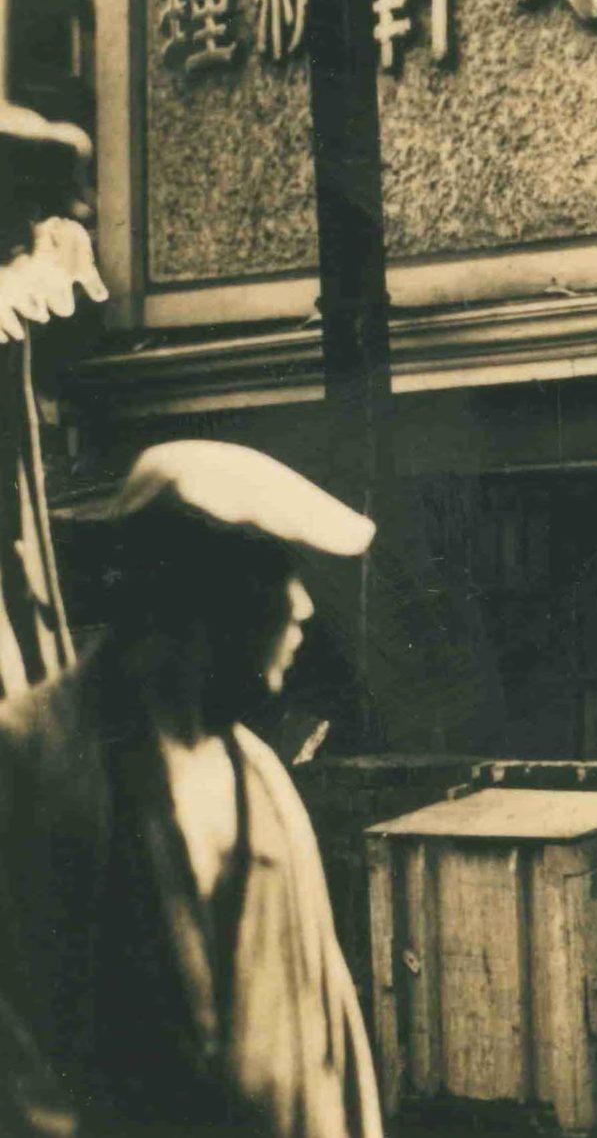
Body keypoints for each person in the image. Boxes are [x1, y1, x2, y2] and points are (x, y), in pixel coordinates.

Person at [0, 441, 383, 1138]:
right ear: (192, 592)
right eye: (275, 570)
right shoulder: (33, 762)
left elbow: (333, 1044)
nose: (301, 606)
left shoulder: (263, 783)